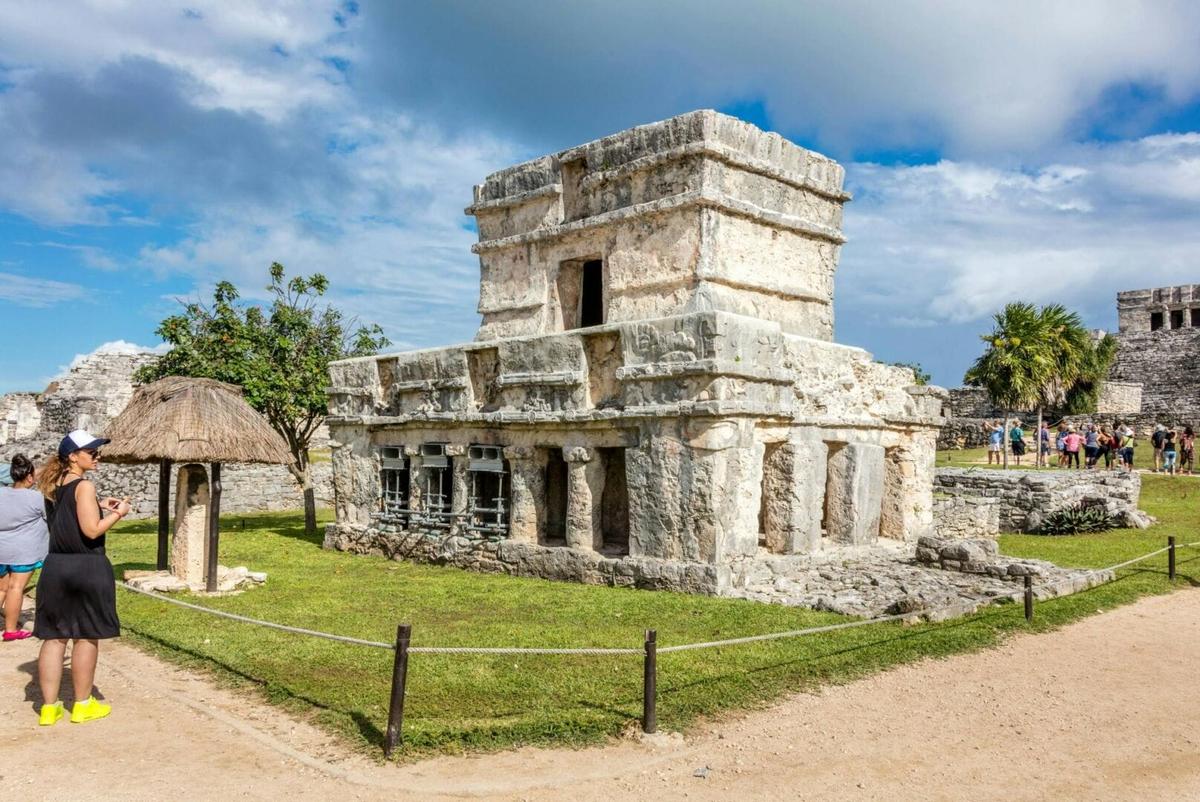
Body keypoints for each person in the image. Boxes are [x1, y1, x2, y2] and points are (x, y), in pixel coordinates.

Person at [33, 430, 130, 726]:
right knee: (86, 634)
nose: (97, 457)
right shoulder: (84, 485)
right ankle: (83, 703)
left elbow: (67, 516)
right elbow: (91, 530)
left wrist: (99, 503)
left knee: (54, 636)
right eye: (92, 452)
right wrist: (119, 513)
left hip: (56, 566)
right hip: (86, 566)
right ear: (73, 456)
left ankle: (49, 708)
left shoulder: (52, 485)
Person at [0, 454, 48, 641]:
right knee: (16, 588)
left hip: (1, 549)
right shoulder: (36, 498)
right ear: (29, 477)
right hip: (23, 551)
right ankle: (11, 629)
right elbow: (49, 517)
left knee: (2, 588)